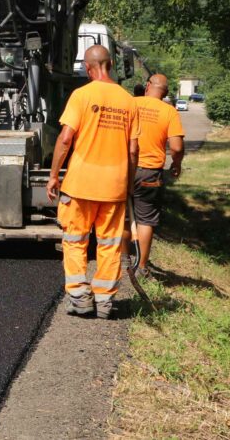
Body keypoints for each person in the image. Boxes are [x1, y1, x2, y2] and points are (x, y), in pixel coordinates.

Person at [47, 45, 139, 319]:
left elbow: (65, 139)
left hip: (80, 184)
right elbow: (134, 150)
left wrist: (54, 175)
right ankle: (105, 301)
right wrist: (129, 182)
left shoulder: (81, 95)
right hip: (114, 186)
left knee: (75, 240)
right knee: (109, 244)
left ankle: (79, 297)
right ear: (110, 64)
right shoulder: (128, 101)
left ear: (88, 68)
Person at [130, 73, 185, 279]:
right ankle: (141, 267)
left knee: (123, 215)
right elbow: (177, 147)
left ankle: (124, 260)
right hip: (150, 172)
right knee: (145, 220)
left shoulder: (132, 104)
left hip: (125, 167)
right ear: (166, 92)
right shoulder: (169, 112)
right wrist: (176, 164)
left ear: (147, 86)